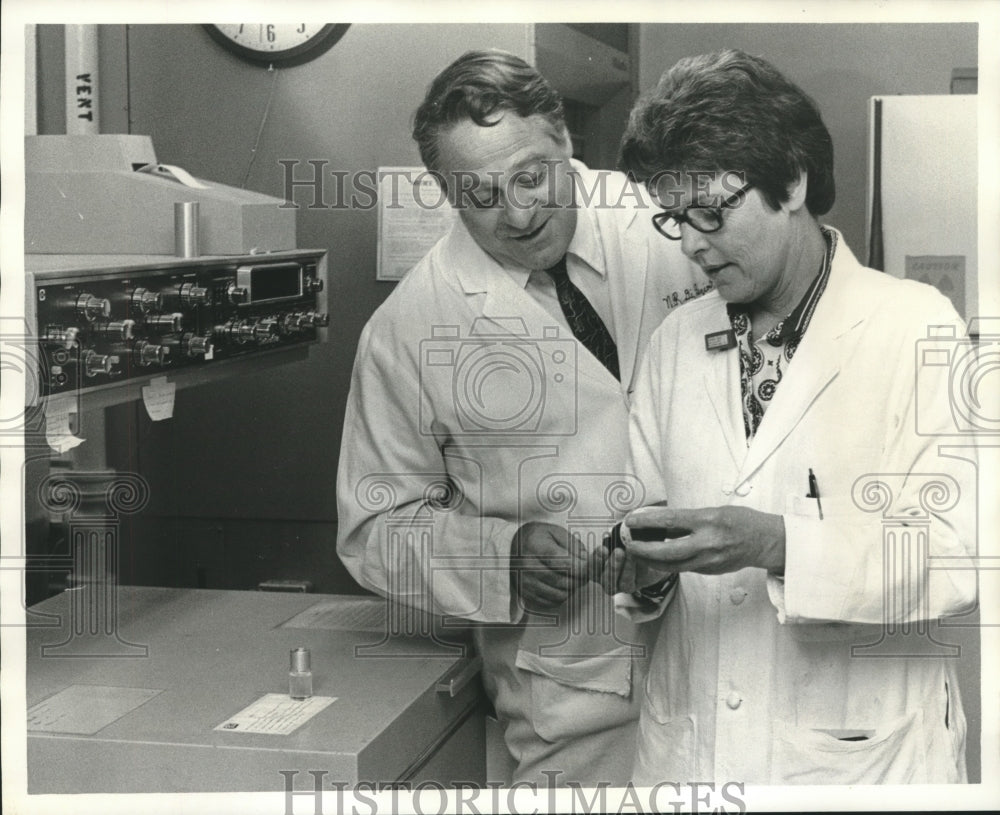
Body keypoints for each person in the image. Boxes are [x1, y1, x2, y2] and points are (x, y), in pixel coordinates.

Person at [336, 50, 704, 785]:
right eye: (480, 193)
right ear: (445, 193)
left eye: (533, 175)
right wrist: (498, 554)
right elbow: (373, 526)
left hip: (727, 652)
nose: (519, 211)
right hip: (578, 696)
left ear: (568, 143)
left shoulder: (665, 221)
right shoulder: (409, 327)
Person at [611, 49, 978, 784]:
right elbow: (645, 520)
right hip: (692, 750)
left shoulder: (916, 326)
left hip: (859, 761)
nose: (689, 242)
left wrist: (775, 544)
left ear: (794, 180)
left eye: (712, 211)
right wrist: (637, 567)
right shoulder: (676, 342)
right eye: (674, 217)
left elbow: (957, 554)